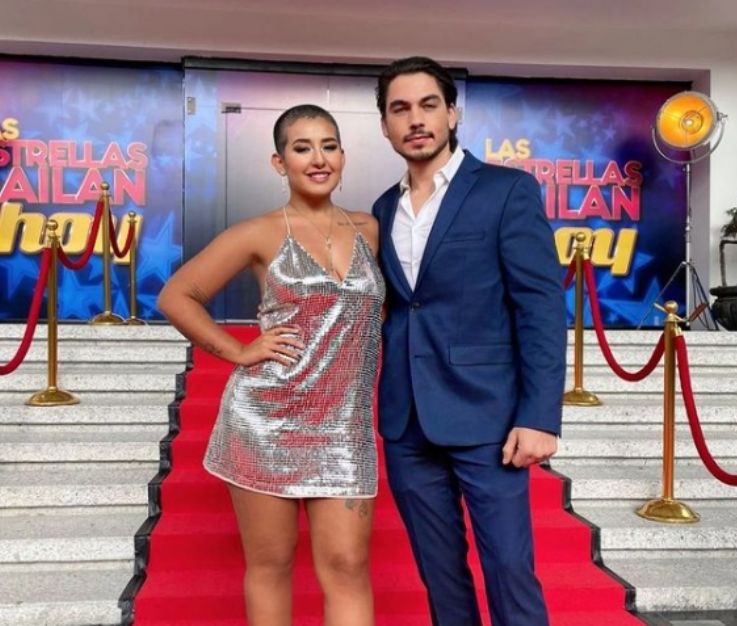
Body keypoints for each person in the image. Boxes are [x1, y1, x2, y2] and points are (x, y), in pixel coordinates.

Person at [157, 104, 384, 626]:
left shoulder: (371, 229)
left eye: (328, 146)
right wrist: (238, 350)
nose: (318, 158)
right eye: (302, 148)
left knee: (349, 566)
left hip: (343, 427)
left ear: (343, 155)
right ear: (280, 163)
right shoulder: (257, 232)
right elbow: (176, 296)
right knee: (271, 564)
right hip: (265, 421)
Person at [372, 57, 567, 626]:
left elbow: (540, 308)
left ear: (452, 113)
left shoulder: (507, 191)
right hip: (407, 423)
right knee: (441, 579)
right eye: (400, 109)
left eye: (428, 105)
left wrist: (539, 417)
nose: (416, 119)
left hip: (489, 419)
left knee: (509, 570)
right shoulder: (383, 208)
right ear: (384, 125)